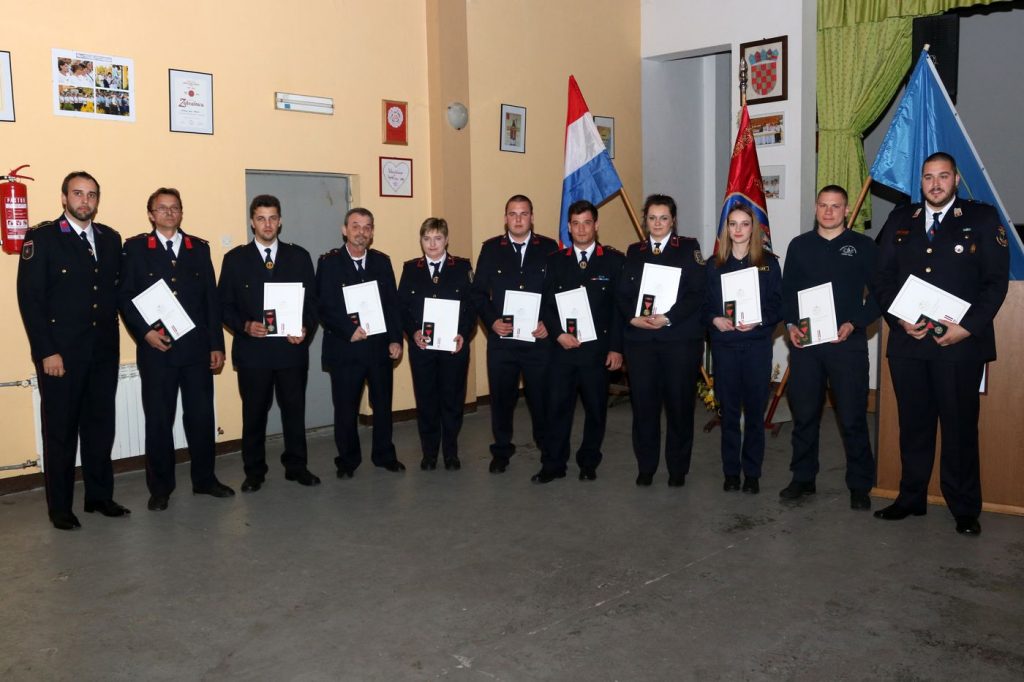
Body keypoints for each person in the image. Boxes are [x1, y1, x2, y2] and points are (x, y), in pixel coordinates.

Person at [871, 152, 1010, 536]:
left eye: (943, 176)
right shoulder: (901, 219)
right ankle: (910, 498)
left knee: (959, 428)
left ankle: (964, 508)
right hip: (909, 343)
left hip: (959, 347)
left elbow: (995, 282)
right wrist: (898, 318)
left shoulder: (981, 219)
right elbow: (881, 277)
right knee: (913, 425)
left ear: (956, 180)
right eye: (928, 177)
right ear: (921, 182)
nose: (935, 184)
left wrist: (967, 328)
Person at [16, 171, 128, 530]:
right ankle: (60, 507)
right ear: (64, 198)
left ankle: (99, 496)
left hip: (102, 352)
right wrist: (46, 351)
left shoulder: (110, 239)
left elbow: (117, 294)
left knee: (100, 428)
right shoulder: (43, 237)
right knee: (61, 432)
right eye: (78, 194)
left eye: (91, 194)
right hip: (61, 356)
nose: (85, 201)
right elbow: (31, 300)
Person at [119, 188, 234, 511]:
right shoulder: (136, 248)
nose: (169, 213)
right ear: (151, 214)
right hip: (157, 351)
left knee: (201, 418)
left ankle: (205, 480)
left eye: (175, 208)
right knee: (159, 421)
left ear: (182, 212)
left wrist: (216, 345)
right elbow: (125, 297)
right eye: (162, 208)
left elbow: (211, 300)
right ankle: (160, 488)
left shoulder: (198, 248)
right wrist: (145, 333)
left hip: (196, 351)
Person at [780, 185, 880, 510]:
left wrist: (855, 323)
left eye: (835, 206)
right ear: (815, 208)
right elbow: (787, 293)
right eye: (823, 205)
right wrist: (791, 325)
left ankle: (860, 484)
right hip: (806, 345)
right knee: (805, 414)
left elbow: (880, 294)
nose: (828, 211)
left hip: (846, 344)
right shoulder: (799, 246)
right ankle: (803, 477)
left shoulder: (863, 246)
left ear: (847, 210)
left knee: (852, 416)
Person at [218, 194, 320, 492]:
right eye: (261, 218)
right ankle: (254, 472)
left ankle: (297, 467)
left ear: (280, 221)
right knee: (254, 414)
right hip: (254, 353)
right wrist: (245, 325)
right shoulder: (235, 259)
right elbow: (223, 305)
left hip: (291, 350)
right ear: (252, 222)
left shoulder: (299, 256)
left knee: (294, 412)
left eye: (273, 218)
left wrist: (305, 328)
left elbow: (313, 303)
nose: (267, 224)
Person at [616, 194, 707, 487]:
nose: (657, 223)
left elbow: (697, 292)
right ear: (645, 221)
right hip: (641, 343)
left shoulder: (688, 248)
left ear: (673, 221)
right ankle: (646, 466)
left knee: (679, 407)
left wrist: (668, 317)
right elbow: (622, 294)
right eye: (652, 218)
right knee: (644, 407)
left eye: (663, 218)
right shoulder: (635, 251)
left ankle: (677, 469)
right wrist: (633, 318)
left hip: (678, 340)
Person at [533, 200, 624, 483]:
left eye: (587, 223)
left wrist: (616, 348)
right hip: (562, 350)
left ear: (596, 225)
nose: (581, 229)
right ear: (569, 228)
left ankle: (588, 461)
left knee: (596, 410)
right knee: (557, 409)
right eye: (575, 223)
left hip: (597, 352)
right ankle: (553, 464)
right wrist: (558, 333)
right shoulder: (555, 261)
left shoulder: (613, 261)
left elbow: (619, 309)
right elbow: (545, 304)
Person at [471, 195, 558, 473]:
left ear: (532, 217)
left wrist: (549, 323)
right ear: (505, 218)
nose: (518, 219)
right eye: (513, 214)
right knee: (501, 399)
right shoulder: (491, 249)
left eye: (523, 213)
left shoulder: (549, 248)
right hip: (503, 342)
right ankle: (501, 450)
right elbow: (478, 293)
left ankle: (547, 448)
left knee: (541, 399)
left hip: (537, 341)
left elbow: (556, 292)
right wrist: (492, 322)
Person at [316, 207, 404, 478]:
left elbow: (392, 305)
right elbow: (322, 306)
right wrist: (348, 330)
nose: (361, 232)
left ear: (372, 232)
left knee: (383, 406)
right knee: (346, 409)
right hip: (345, 348)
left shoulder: (382, 262)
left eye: (367, 227)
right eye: (355, 226)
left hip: (378, 349)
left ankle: (384, 455)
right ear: (345, 230)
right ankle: (347, 460)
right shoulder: (329, 263)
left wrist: (396, 339)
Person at [702, 204, 782, 494]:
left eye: (744, 224)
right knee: (730, 413)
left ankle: (752, 474)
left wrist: (759, 320)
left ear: (753, 228)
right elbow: (702, 305)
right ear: (726, 229)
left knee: (755, 414)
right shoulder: (713, 265)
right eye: (733, 224)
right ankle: (731, 472)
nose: (738, 229)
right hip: (725, 348)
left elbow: (779, 305)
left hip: (757, 347)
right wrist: (714, 319)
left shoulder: (769, 263)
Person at [397, 218, 475, 471]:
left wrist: (464, 333)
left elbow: (472, 307)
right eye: (427, 238)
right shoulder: (411, 269)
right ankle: (429, 453)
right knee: (427, 401)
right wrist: (413, 332)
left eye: (438, 238)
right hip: (423, 349)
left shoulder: (462, 267)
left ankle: (451, 452)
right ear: (421, 241)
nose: (432, 244)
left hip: (454, 347)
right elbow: (402, 308)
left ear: (446, 240)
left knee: (452, 401)